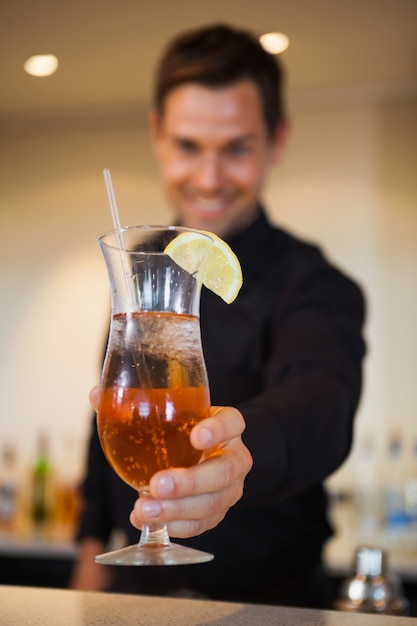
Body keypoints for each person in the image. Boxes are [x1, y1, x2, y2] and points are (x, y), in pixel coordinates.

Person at [70, 23, 366, 607]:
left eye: (236, 148)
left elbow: (322, 401)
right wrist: (86, 560)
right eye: (188, 146)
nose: (208, 179)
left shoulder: (314, 283)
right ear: (157, 135)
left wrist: (239, 454)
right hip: (135, 601)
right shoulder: (138, 265)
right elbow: (109, 414)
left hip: (270, 604)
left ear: (276, 140)